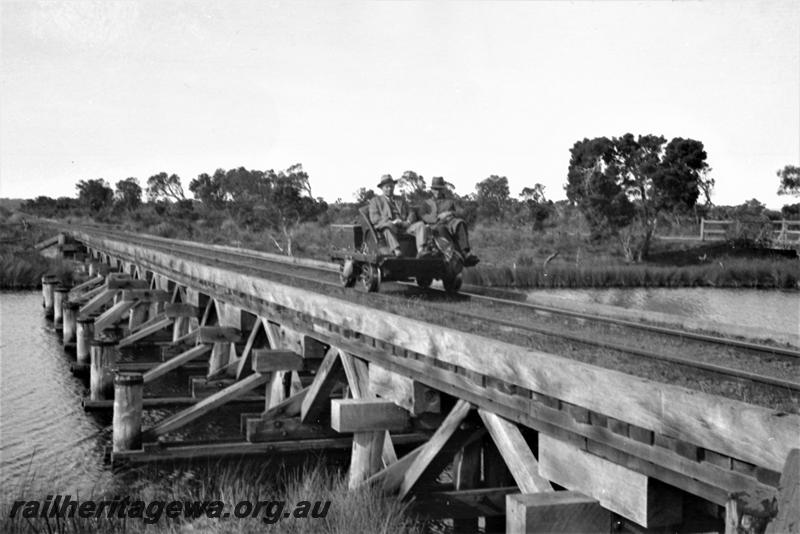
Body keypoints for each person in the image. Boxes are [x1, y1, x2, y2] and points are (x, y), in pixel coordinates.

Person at [368, 174, 431, 257]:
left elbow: (411, 212)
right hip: (390, 227)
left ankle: (421, 251)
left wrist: (408, 222)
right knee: (387, 227)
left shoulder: (400, 199)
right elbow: (374, 218)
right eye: (387, 187)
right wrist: (392, 222)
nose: (390, 189)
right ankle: (397, 251)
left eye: (391, 186)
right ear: (382, 188)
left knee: (420, 225)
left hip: (404, 226)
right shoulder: (375, 201)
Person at [421, 177, 479, 266]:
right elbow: (423, 215)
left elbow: (460, 212)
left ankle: (465, 253)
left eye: (440, 189)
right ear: (432, 190)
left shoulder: (450, 202)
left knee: (460, 222)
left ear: (443, 190)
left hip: (450, 223)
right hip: (435, 225)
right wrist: (436, 218)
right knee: (441, 228)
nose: (438, 191)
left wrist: (449, 213)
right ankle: (451, 253)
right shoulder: (427, 203)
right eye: (436, 189)